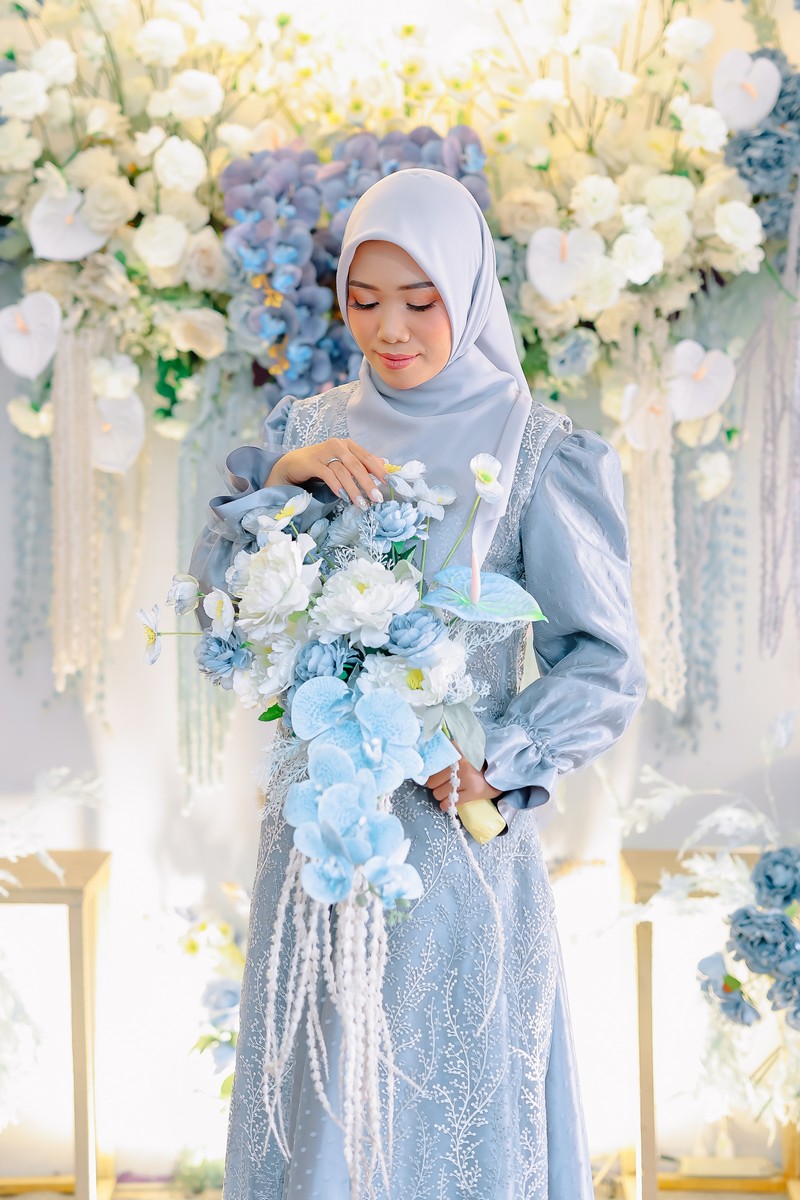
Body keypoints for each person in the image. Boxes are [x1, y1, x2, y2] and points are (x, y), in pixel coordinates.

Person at [189, 167, 647, 1200]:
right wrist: (279, 485)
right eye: (363, 300)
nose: (388, 330)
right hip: (316, 843)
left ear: (468, 291)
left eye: (418, 300)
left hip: (453, 849)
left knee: (449, 1122)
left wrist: (501, 760)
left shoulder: (538, 452)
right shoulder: (307, 428)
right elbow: (220, 607)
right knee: (319, 1109)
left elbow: (605, 659)